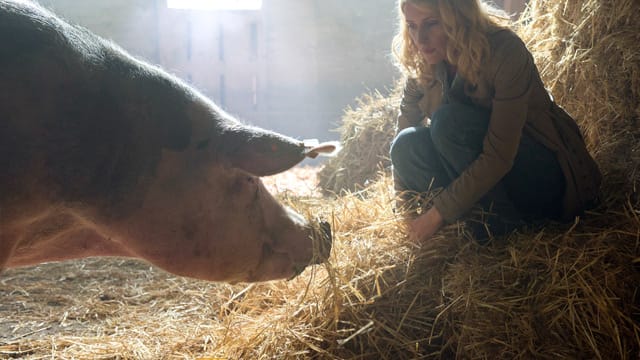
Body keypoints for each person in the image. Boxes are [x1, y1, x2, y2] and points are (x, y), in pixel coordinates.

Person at [389, 0, 601, 244]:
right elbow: (402, 135)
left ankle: (501, 233)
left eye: (431, 23)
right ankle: (472, 223)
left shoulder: (504, 50)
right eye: (412, 26)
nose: (420, 39)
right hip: (485, 185)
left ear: (457, 17)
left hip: (544, 178)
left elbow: (499, 155)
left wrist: (437, 214)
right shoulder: (424, 62)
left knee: (448, 124)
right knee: (406, 145)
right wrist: (404, 212)